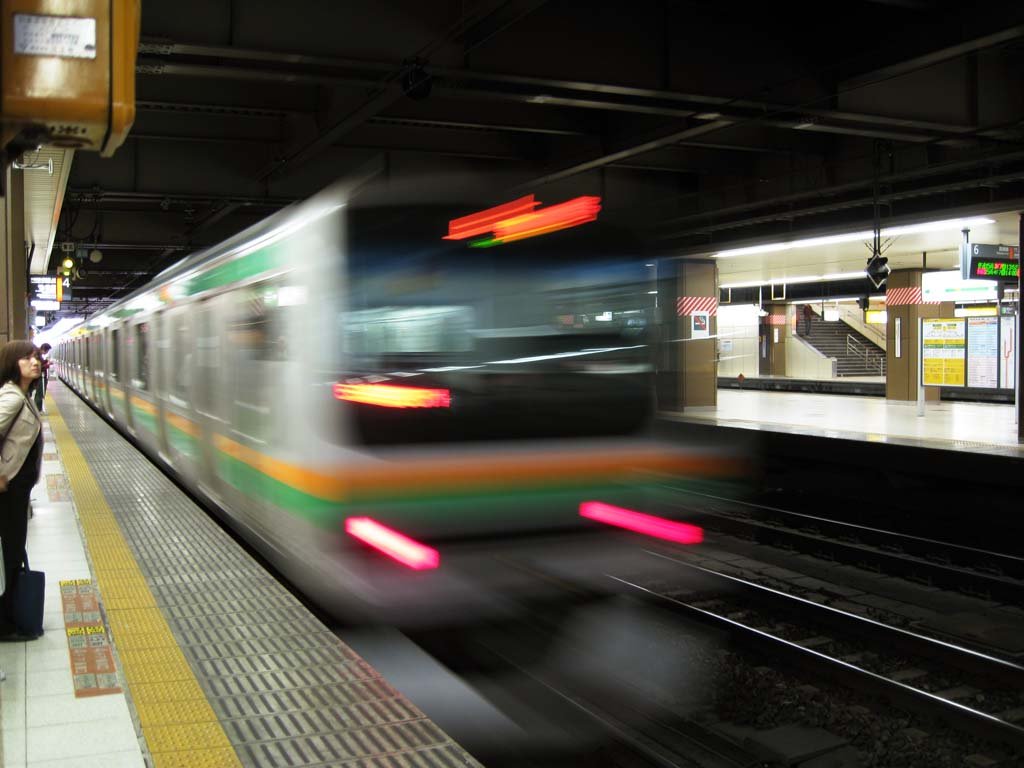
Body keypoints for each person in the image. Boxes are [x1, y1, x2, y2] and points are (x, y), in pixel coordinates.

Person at [0, 340, 44, 641]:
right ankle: (6, 624)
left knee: (12, 553)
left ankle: (10, 615)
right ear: (11, 362)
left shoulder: (22, 395)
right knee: (10, 555)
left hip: (17, 490)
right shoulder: (12, 397)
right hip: (9, 490)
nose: (34, 362)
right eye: (26, 358)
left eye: (36, 357)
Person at [30, 342, 51, 413]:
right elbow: (39, 367)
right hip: (40, 377)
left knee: (40, 393)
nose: (47, 352)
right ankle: (38, 409)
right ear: (44, 349)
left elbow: (40, 364)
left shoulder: (38, 354)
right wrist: (47, 365)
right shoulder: (37, 355)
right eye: (47, 351)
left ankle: (39, 409)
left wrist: (45, 361)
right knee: (40, 393)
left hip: (41, 376)